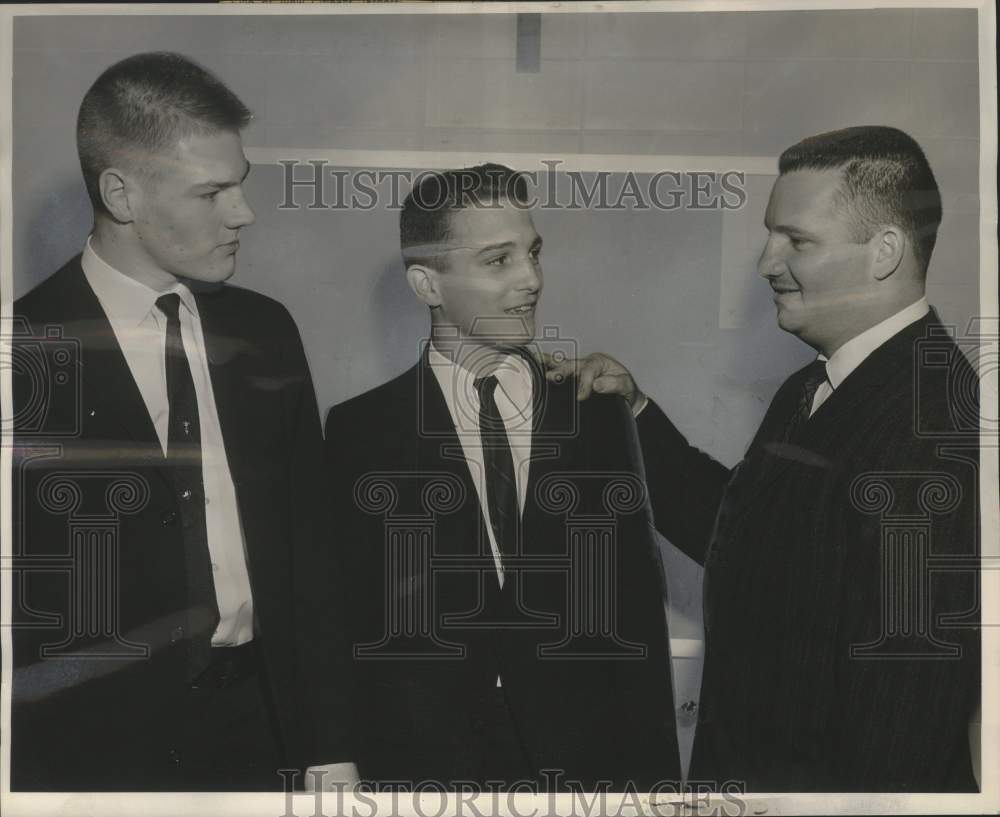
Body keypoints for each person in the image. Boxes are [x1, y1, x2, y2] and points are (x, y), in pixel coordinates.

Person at [545, 126, 980, 792]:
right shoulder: (815, 384)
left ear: (885, 252)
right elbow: (746, 535)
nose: (767, 262)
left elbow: (905, 720)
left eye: (796, 240)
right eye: (771, 234)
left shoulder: (934, 422)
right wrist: (632, 412)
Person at [10, 52, 348, 791]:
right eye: (212, 192)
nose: (243, 213)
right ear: (122, 194)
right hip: (88, 765)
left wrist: (330, 747)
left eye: (241, 183)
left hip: (263, 735)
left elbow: (311, 559)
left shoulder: (267, 331)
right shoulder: (22, 349)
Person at [315, 164, 681, 791]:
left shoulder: (593, 409)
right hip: (423, 770)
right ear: (427, 282)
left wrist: (655, 787)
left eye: (533, 254)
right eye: (497, 260)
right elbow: (341, 618)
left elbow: (638, 617)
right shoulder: (358, 431)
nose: (531, 280)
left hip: (588, 770)